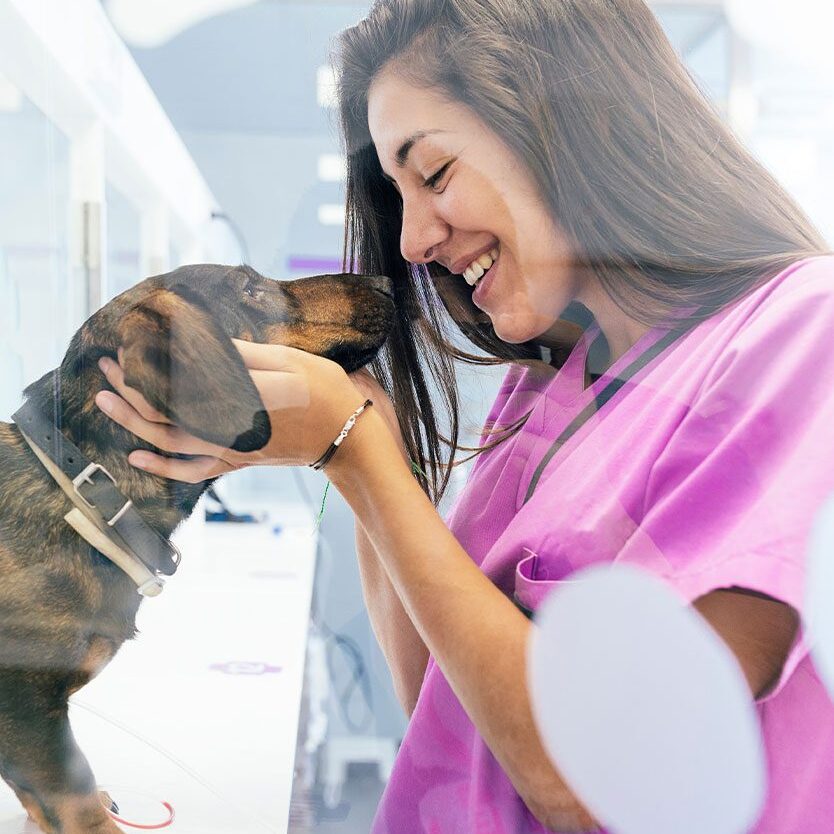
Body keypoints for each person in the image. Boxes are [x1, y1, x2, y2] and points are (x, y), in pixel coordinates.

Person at [95, 0, 834, 831]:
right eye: (397, 192)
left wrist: (356, 455)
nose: (412, 240)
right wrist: (370, 436)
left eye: (435, 173)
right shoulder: (553, 388)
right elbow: (446, 714)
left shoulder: (805, 335)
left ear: (572, 126)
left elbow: (609, 791)